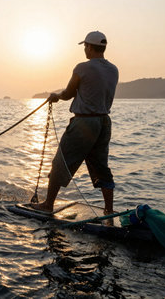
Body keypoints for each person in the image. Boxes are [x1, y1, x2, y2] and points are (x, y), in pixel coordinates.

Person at [32, 31, 119, 215]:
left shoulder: (82, 68)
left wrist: (56, 96)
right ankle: (109, 210)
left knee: (60, 162)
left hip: (84, 123)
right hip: (104, 123)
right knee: (101, 166)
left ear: (89, 47)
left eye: (85, 46)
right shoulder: (114, 69)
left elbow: (69, 93)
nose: (84, 50)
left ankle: (48, 205)